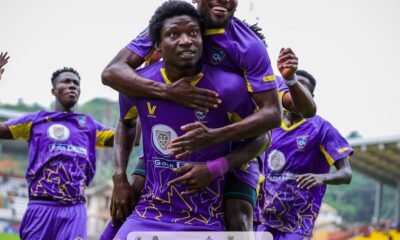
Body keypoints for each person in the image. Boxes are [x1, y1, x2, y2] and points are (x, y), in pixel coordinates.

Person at [108, 1, 270, 238]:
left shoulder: (248, 49)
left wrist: (214, 155)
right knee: (127, 200)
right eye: (174, 35)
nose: (185, 40)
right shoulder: (175, 22)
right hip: (157, 194)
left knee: (238, 216)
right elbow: (111, 74)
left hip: (237, 144)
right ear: (157, 45)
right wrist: (118, 176)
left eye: (192, 34)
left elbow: (270, 121)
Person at [0, 65, 114, 240]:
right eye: (66, 81)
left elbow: (130, 137)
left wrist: (136, 96)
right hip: (41, 206)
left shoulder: (88, 125)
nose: (72, 86)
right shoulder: (35, 121)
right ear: (54, 90)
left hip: (74, 208)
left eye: (76, 83)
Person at [254, 69, 353, 240]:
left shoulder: (322, 129)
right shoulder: (269, 123)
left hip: (298, 223)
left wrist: (321, 178)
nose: (294, 92)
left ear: (310, 97)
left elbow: (346, 174)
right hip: (263, 217)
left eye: (301, 88)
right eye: (290, 86)